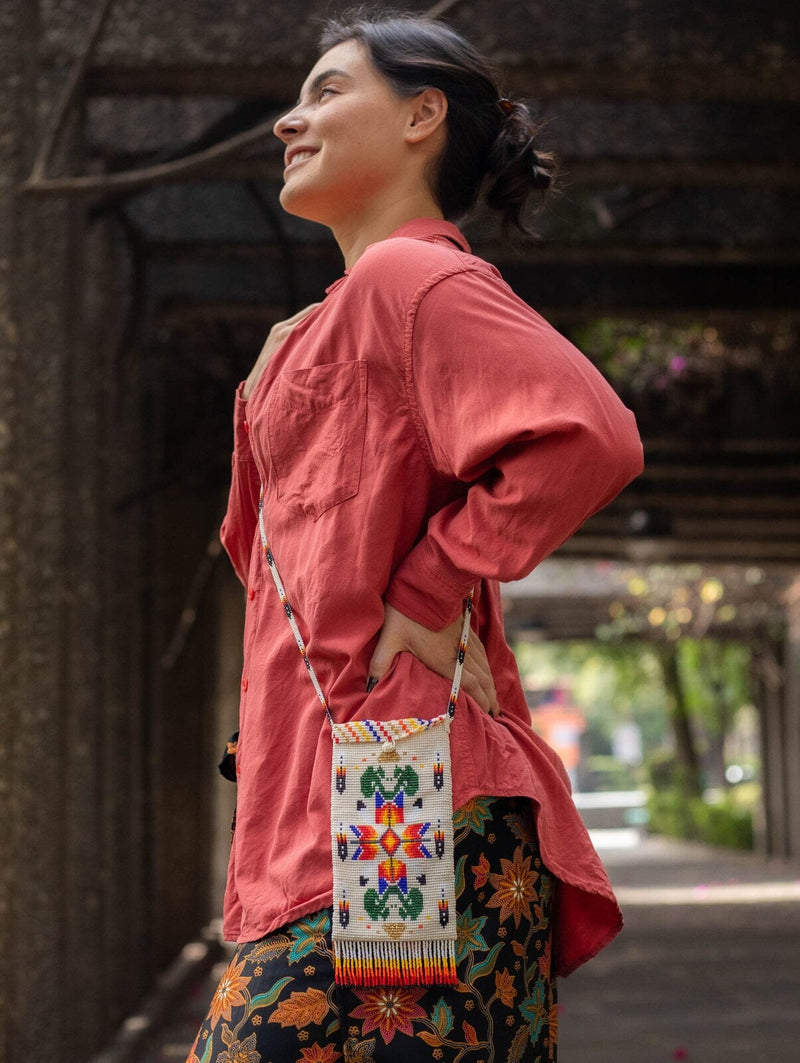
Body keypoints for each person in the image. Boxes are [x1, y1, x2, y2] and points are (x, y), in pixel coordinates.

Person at [187, 9, 643, 1063]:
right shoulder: (332, 318)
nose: (288, 121)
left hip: (397, 791)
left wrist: (430, 589)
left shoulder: (410, 280)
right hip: (346, 792)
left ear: (420, 115)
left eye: (327, 90)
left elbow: (590, 435)